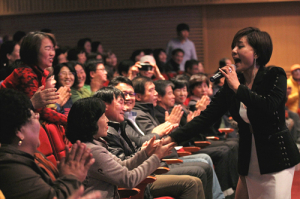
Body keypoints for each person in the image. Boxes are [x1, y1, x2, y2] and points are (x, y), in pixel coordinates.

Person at [165, 27, 300, 199]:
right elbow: (207, 117)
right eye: (233, 47)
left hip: (276, 156)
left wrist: (237, 87)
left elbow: (268, 106)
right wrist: (172, 138)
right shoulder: (232, 85)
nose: (234, 51)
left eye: (240, 46)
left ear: (256, 53)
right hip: (249, 157)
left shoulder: (274, 75)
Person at [94, 86, 205, 199]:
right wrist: (153, 154)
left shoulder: (121, 125)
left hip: (144, 174)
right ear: (104, 106)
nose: (125, 107)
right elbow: (125, 171)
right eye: (121, 102)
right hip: (139, 181)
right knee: (191, 181)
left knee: (199, 171)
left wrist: (146, 150)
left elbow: (128, 160)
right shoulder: (105, 135)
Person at [66, 97, 176, 199]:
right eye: (103, 116)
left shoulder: (93, 144)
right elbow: (129, 180)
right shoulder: (91, 151)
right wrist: (156, 157)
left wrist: (146, 153)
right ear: (91, 121)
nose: (107, 120)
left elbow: (123, 166)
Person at [0, 88, 95, 199]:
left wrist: (64, 176)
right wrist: (72, 177)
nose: (38, 118)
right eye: (33, 116)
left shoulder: (29, 157)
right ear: (19, 131)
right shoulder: (11, 167)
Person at [0, 31, 68, 126]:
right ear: (33, 51)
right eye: (48, 49)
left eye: (53, 48)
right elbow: (40, 111)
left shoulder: (39, 72)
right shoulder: (26, 74)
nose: (52, 53)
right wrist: (70, 121)